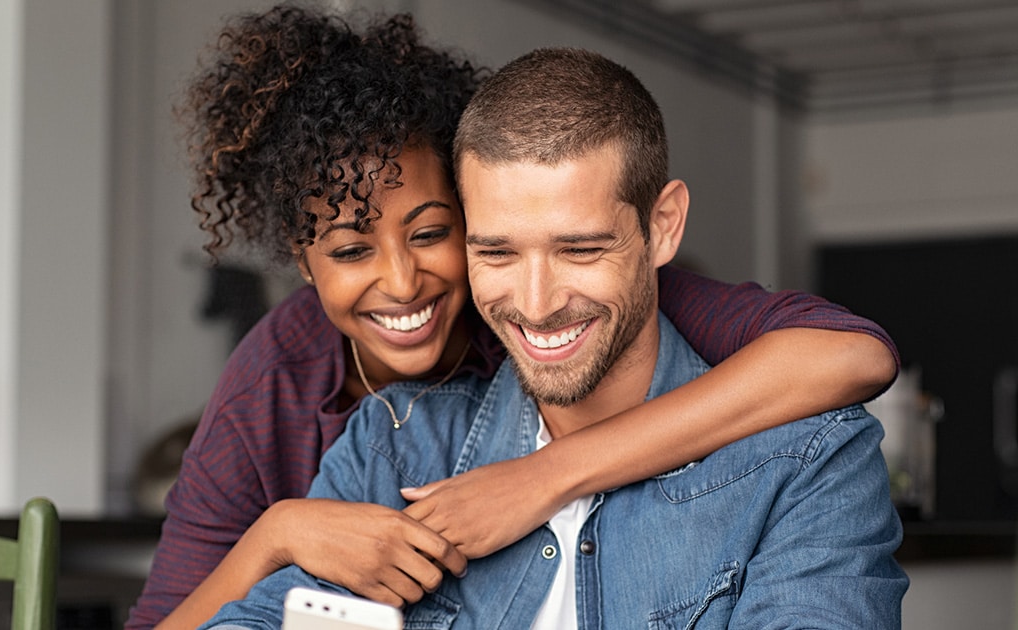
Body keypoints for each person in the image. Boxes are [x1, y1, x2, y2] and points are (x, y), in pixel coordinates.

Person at [126, 8, 900, 629]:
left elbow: (852, 355)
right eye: (498, 251)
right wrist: (280, 532)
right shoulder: (380, 439)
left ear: (662, 229)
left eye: (581, 247)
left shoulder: (806, 459)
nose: (535, 302)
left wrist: (543, 480)